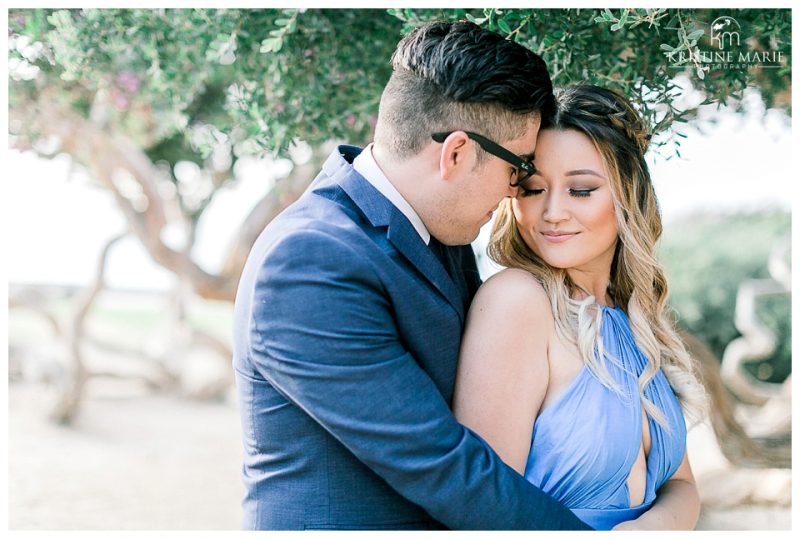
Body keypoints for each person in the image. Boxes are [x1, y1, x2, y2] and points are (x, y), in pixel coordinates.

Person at [232, 20, 591, 530]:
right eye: (518, 169)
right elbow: (441, 464)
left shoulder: (441, 232)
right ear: (457, 153)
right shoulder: (309, 261)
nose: (515, 191)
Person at [453, 84, 709, 530]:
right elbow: (483, 511)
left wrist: (648, 529)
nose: (552, 212)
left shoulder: (632, 317)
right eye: (533, 190)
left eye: (581, 190)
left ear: (627, 194)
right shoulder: (516, 302)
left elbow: (682, 484)